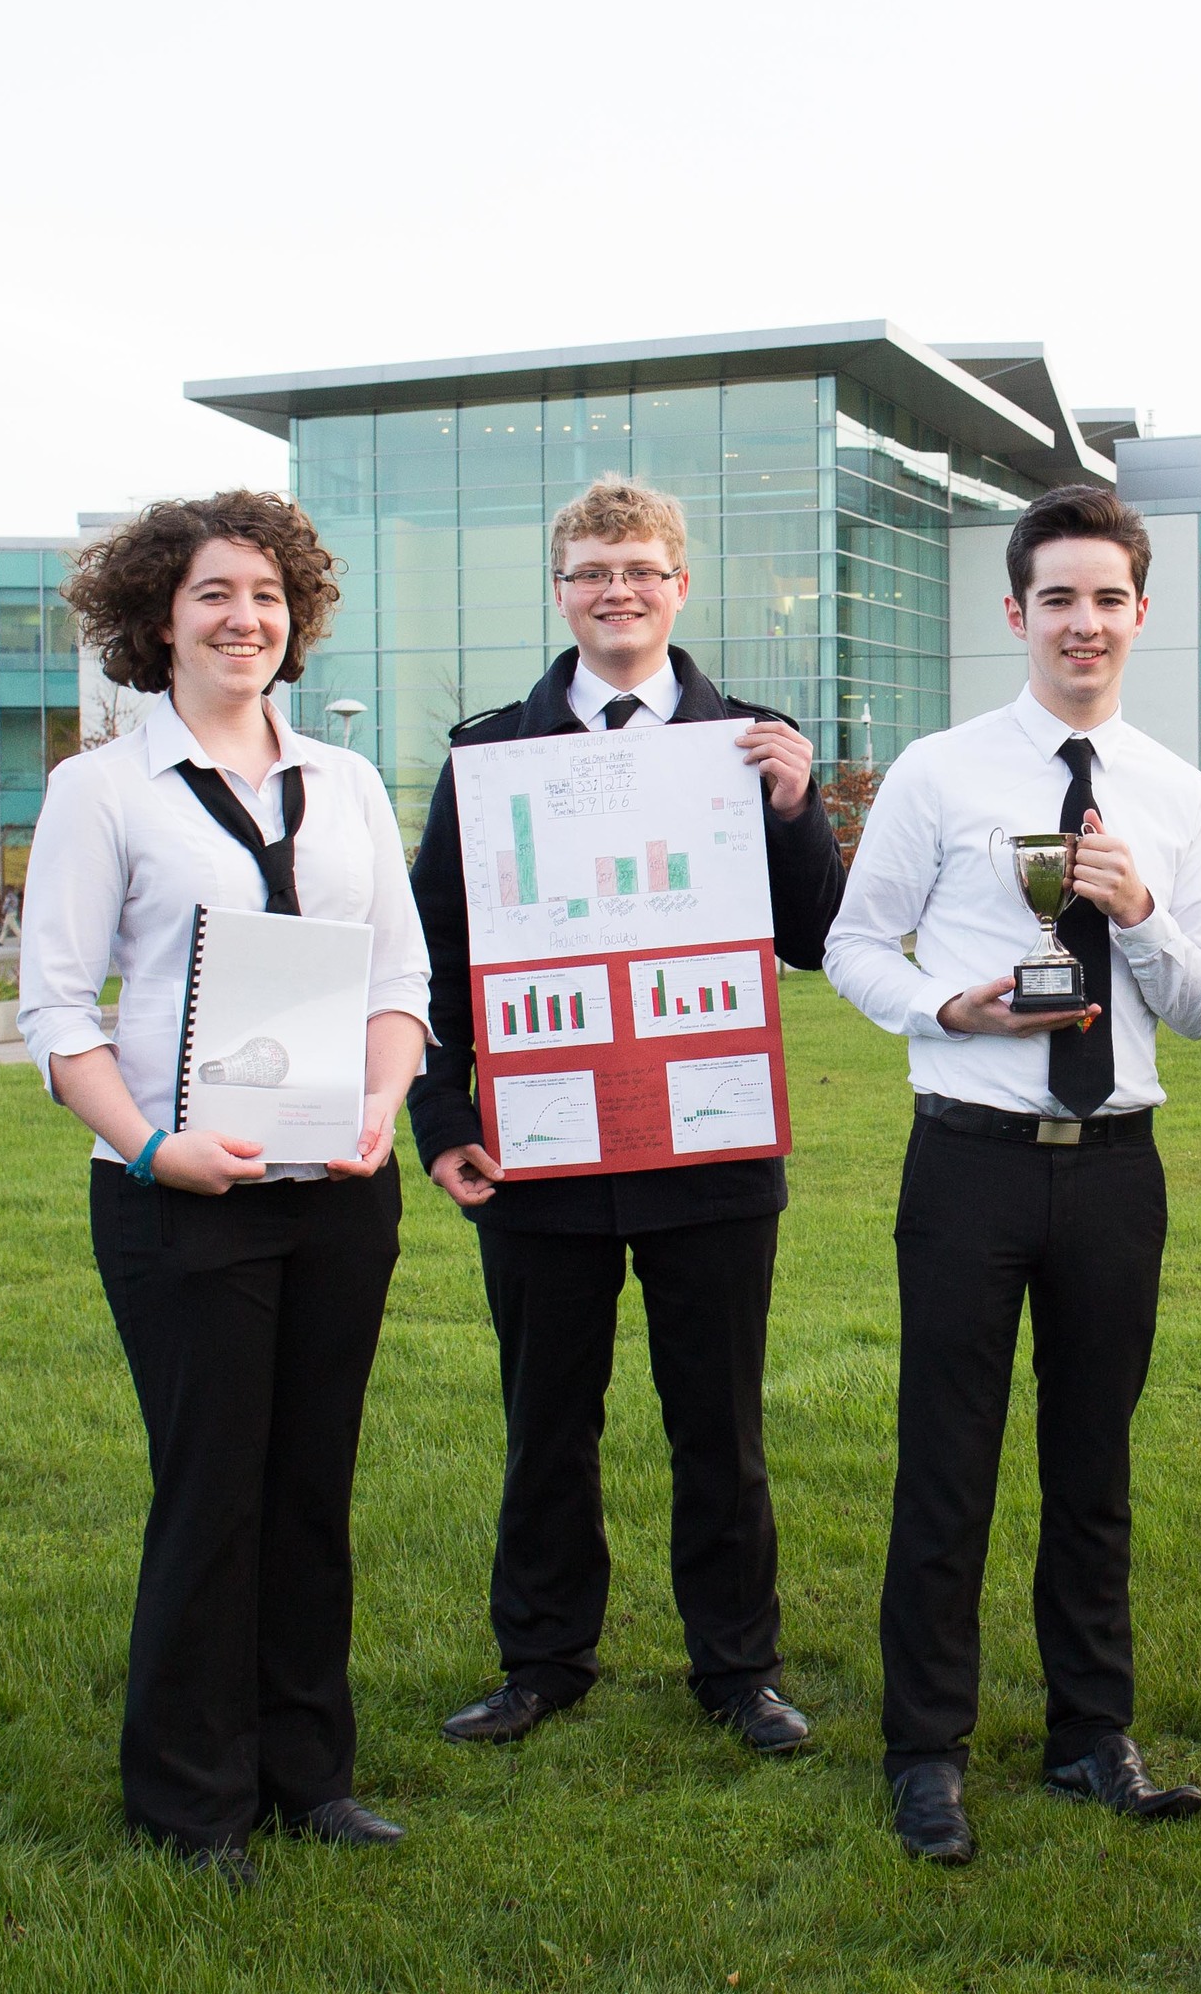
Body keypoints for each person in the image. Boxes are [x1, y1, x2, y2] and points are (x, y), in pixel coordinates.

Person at [16, 492, 432, 1884]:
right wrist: (150, 1147)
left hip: (337, 1185)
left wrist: (383, 1106)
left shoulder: (352, 782)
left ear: (296, 615)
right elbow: (59, 1013)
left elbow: (398, 979)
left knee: (311, 1489)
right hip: (177, 1190)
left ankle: (310, 1772)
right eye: (212, 594)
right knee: (213, 1495)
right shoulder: (101, 790)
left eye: (265, 592)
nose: (242, 616)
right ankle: (190, 1804)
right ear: (156, 619)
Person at [825, 482, 1201, 1866]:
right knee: (946, 1463)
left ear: (1139, 613)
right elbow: (852, 947)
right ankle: (925, 1751)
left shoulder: (1175, 794)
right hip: (972, 1161)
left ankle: (1088, 1735)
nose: (1083, 622)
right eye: (1056, 597)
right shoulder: (941, 775)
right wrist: (954, 1008)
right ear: (1015, 612)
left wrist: (1144, 910)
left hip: (1116, 1167)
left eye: (1107, 598)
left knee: (1093, 1465)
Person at [406, 475, 843, 1755]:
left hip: (708, 1140)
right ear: (562, 591)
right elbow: (435, 953)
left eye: (642, 570)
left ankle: (738, 1670)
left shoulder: (754, 740)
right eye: (595, 571)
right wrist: (443, 1116)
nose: (619, 592)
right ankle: (543, 1661)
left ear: (680, 587)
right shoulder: (487, 754)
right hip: (540, 1143)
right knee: (548, 1424)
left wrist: (798, 807)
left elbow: (816, 938)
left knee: (722, 1425)